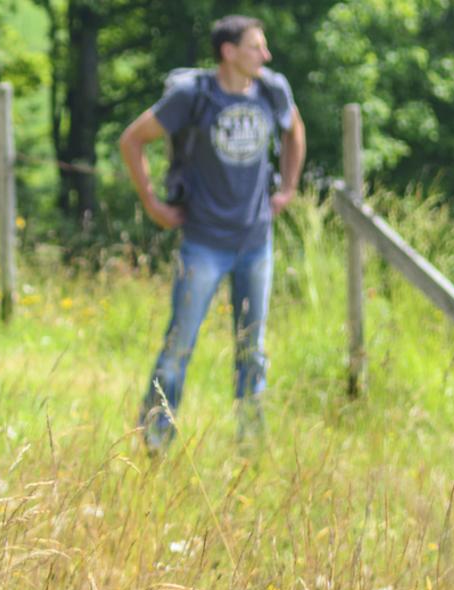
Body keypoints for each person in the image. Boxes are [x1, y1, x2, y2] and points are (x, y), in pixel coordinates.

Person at [115, 14, 306, 454]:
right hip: (203, 241)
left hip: (256, 241)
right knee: (179, 346)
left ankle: (250, 446)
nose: (266, 55)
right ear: (229, 51)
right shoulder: (192, 96)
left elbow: (295, 130)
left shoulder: (271, 89)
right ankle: (156, 441)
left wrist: (289, 188)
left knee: (252, 349)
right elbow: (132, 139)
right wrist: (152, 203)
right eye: (256, 46)